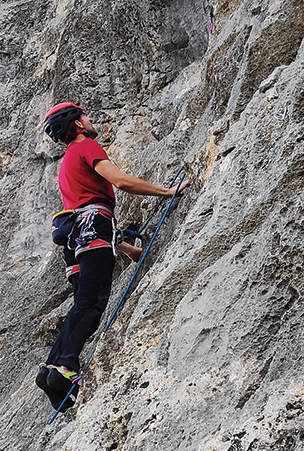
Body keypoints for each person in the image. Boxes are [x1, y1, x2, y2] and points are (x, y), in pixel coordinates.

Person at [36, 102, 190, 409]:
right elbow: (119, 181)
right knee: (93, 304)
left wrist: (126, 248)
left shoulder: (66, 165)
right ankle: (65, 367)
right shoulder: (86, 147)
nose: (90, 120)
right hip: (95, 227)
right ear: (77, 124)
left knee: (81, 304)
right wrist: (167, 191)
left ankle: (51, 369)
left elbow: (82, 212)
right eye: (85, 116)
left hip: (74, 241)